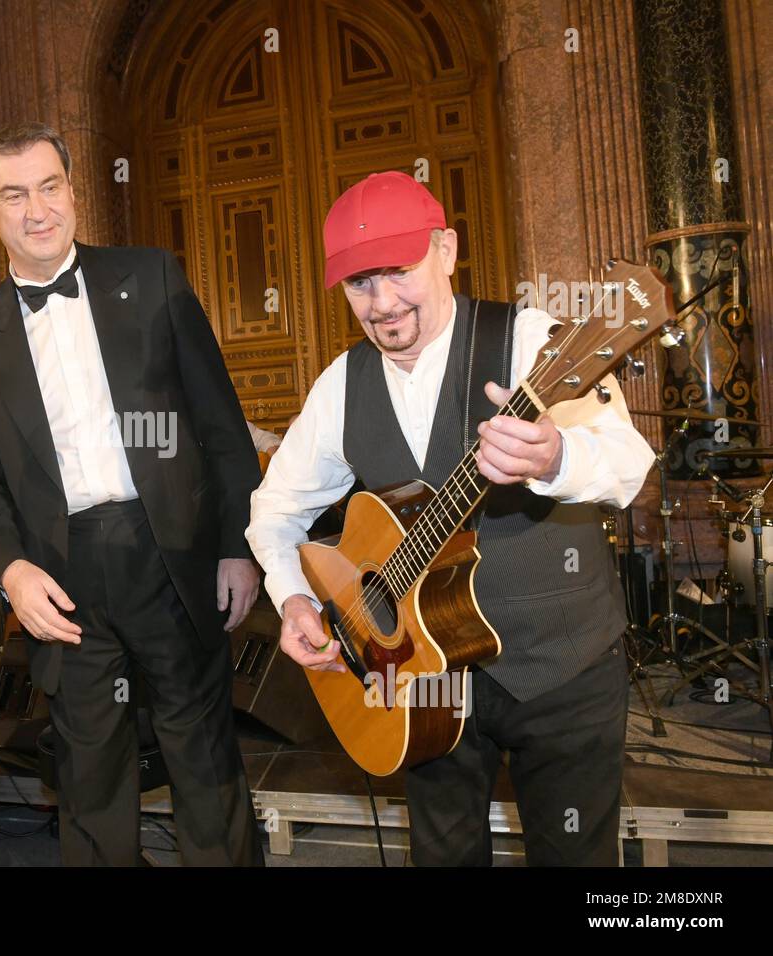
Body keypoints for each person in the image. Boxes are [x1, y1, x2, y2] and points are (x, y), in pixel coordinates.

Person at [246, 171, 654, 867]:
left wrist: (553, 457)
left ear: (445, 249)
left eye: (398, 272)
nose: (381, 305)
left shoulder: (533, 342)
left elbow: (629, 463)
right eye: (358, 285)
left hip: (560, 664)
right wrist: (292, 599)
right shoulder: (342, 384)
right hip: (421, 681)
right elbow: (275, 508)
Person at [0, 122, 264, 866]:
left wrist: (236, 547)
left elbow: (220, 426)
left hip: (173, 554)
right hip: (62, 574)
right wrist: (11, 570)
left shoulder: (151, 276)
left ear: (73, 192)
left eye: (50, 187)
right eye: (14, 195)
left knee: (206, 761)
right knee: (88, 780)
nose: (37, 209)